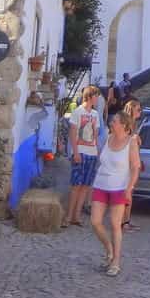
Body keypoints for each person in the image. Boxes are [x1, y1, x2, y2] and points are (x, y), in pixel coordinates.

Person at [90, 112, 141, 276]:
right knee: (95, 222)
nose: (112, 122)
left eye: (115, 121)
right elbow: (101, 158)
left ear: (124, 125)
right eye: (112, 120)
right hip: (101, 184)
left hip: (119, 187)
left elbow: (135, 167)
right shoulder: (108, 137)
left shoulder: (131, 142)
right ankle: (109, 248)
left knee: (114, 224)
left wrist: (129, 188)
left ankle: (116, 262)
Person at [62, 86, 101, 227]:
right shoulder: (77, 112)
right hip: (80, 151)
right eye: (96, 96)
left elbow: (96, 134)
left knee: (85, 186)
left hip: (91, 153)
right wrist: (75, 152)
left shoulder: (96, 114)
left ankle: (76, 216)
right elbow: (72, 133)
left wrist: (97, 151)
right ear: (90, 96)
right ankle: (68, 216)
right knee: (76, 186)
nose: (98, 99)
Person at [119, 96, 144, 231]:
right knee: (126, 191)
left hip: (132, 161)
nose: (140, 112)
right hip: (126, 162)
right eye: (138, 109)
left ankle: (126, 220)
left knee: (130, 191)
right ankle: (122, 222)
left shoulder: (134, 124)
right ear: (132, 110)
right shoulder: (126, 125)